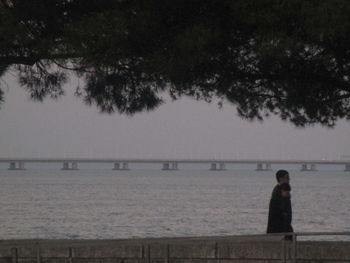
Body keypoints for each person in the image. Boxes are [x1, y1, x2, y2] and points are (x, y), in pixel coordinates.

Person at [267, 170, 293, 239]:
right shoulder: (278, 192)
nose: (288, 179)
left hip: (280, 228)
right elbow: (283, 211)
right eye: (287, 177)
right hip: (279, 229)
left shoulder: (277, 190)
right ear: (280, 178)